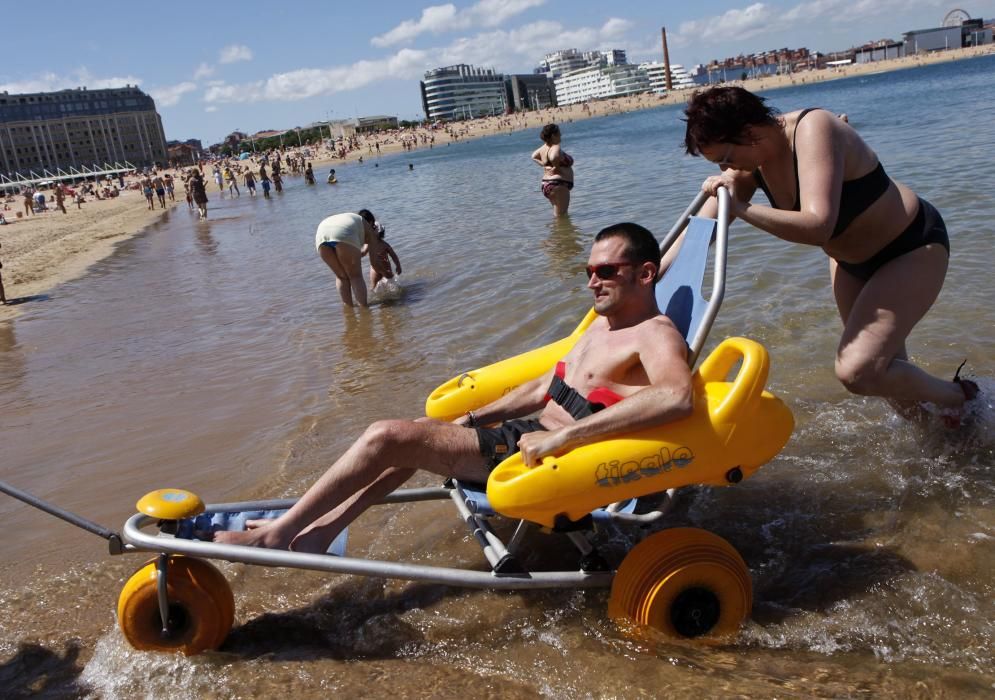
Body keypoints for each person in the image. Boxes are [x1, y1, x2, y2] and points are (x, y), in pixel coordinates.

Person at [215, 222, 694, 552]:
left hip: (552, 459)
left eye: (605, 272)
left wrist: (561, 437)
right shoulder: (603, 325)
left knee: (387, 436)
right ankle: (321, 528)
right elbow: (547, 384)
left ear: (644, 274)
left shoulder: (654, 333)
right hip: (525, 438)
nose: (593, 281)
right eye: (588, 271)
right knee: (421, 429)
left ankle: (278, 534)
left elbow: (676, 395)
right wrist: (475, 417)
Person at [681, 86, 978, 423]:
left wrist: (741, 208)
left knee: (858, 371)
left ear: (749, 133)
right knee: (882, 380)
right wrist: (653, 269)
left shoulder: (813, 129)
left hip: (909, 247)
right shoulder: (753, 159)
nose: (725, 168)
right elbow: (703, 227)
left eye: (726, 158)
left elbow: (818, 226)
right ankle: (946, 436)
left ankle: (961, 396)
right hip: (851, 264)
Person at [315, 209, 391, 308]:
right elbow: (374, 263)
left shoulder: (353, 220)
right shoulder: (369, 230)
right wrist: (388, 276)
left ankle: (348, 309)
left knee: (341, 276)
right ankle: (364, 309)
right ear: (372, 223)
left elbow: (362, 252)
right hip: (343, 232)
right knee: (355, 277)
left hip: (321, 233)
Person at [531, 123, 574, 217]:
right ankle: (561, 231)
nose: (561, 135)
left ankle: (557, 231)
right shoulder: (556, 147)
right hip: (558, 185)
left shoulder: (544, 147)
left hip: (547, 185)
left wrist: (543, 165)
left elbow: (533, 156)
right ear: (554, 136)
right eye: (559, 133)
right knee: (562, 216)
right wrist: (556, 167)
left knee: (558, 215)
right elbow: (553, 156)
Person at [365, 222, 402, 289]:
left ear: (378, 233)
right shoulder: (369, 244)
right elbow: (363, 252)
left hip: (382, 268)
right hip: (376, 268)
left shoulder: (384, 245)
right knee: (373, 286)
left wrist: (398, 265)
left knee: (391, 284)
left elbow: (393, 255)